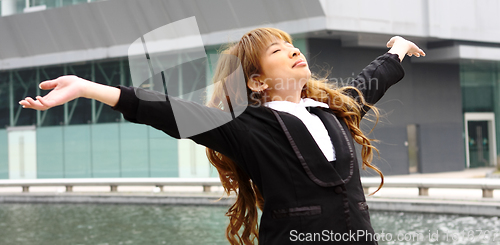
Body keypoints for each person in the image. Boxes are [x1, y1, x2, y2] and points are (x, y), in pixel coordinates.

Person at [20, 28, 425, 245]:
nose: (291, 50)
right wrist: (90, 88)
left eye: (289, 45)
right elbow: (170, 110)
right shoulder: (246, 128)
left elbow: (366, 84)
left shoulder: (333, 110)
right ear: (257, 81)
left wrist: (398, 52)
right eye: (277, 51)